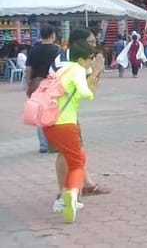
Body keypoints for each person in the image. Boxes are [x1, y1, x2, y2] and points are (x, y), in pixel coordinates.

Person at [51, 28, 109, 208]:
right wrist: (97, 70)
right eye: (90, 42)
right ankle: (64, 194)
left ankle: (82, 186)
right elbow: (89, 92)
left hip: (64, 114)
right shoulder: (68, 64)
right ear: (79, 42)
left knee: (76, 152)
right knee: (67, 154)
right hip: (58, 116)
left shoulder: (74, 57)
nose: (94, 46)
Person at [43, 40, 96, 223]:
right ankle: (70, 196)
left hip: (50, 123)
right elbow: (84, 92)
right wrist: (91, 89)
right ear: (81, 59)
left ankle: (64, 198)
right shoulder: (77, 70)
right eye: (90, 58)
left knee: (75, 157)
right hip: (65, 123)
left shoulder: (62, 68)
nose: (91, 61)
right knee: (77, 163)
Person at [24, 24, 61, 153]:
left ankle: (43, 145)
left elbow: (28, 69)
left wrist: (29, 84)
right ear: (53, 35)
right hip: (52, 85)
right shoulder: (58, 50)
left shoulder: (33, 50)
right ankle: (54, 143)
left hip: (37, 84)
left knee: (39, 113)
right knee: (54, 112)